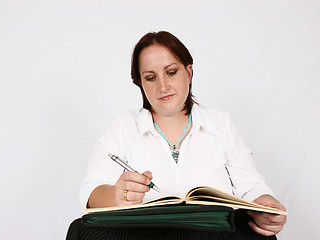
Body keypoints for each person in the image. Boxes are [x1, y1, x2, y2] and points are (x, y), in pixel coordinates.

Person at [79, 31, 286, 236]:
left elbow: (250, 187)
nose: (163, 86)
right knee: (82, 229)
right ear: (141, 84)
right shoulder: (122, 126)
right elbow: (90, 191)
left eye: (171, 72)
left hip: (211, 234)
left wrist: (265, 203)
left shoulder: (220, 123)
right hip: (145, 234)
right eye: (151, 78)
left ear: (189, 73)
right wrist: (115, 195)